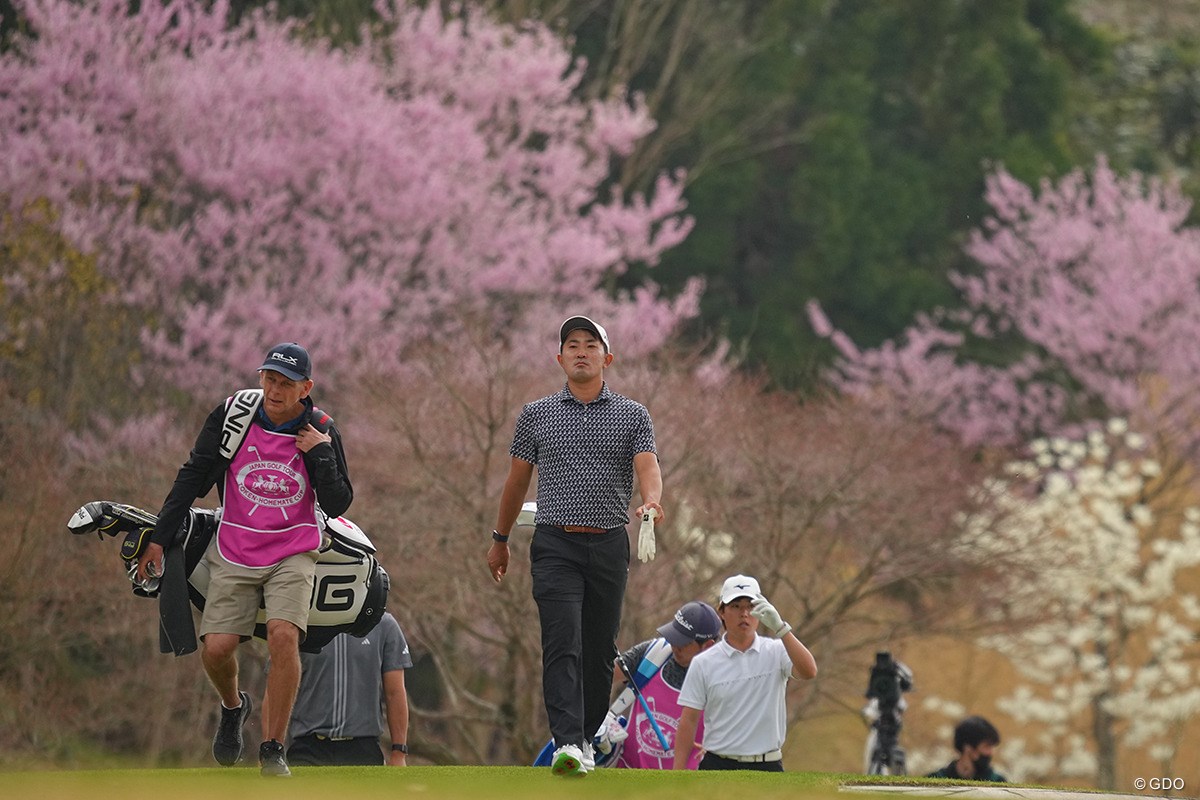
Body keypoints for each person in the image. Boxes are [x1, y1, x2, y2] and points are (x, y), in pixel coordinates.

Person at [137, 342, 353, 777]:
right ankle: (234, 707)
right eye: (269, 379)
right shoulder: (231, 416)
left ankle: (273, 748)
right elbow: (193, 473)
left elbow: (339, 502)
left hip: (294, 548)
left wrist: (320, 454)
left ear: (305, 388)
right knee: (216, 649)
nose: (274, 390)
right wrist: (159, 537)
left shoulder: (322, 428)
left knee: (282, 635)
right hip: (234, 546)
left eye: (286, 383)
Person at [486, 315, 664, 778]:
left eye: (590, 344)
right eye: (572, 345)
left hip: (608, 545)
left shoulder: (632, 414)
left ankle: (585, 738)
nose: (580, 351)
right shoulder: (537, 414)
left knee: (599, 650)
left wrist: (652, 502)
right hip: (555, 544)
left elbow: (647, 466)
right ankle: (566, 742)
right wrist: (500, 539)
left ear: (607, 358)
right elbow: (516, 481)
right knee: (561, 641)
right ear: (559, 358)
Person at [673, 574, 818, 772]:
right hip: (717, 765)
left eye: (751, 606)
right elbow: (688, 721)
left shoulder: (776, 651)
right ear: (721, 612)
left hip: (768, 765)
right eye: (735, 606)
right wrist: (678, 775)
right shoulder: (703, 662)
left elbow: (809, 671)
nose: (744, 613)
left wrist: (781, 628)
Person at [268, 611, 412, 767]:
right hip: (307, 747)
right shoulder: (298, 623)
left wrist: (399, 752)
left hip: (363, 749)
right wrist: (269, 750)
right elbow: (273, 694)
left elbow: (395, 692)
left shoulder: (383, 623)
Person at [600, 601, 721, 769]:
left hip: (682, 786)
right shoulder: (653, 653)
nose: (675, 646)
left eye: (684, 643)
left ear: (708, 646)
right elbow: (599, 678)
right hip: (626, 776)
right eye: (674, 637)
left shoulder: (723, 679)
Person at [926, 715, 1007, 782]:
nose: (991, 752)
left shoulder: (998, 781)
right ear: (968, 748)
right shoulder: (935, 780)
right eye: (986, 746)